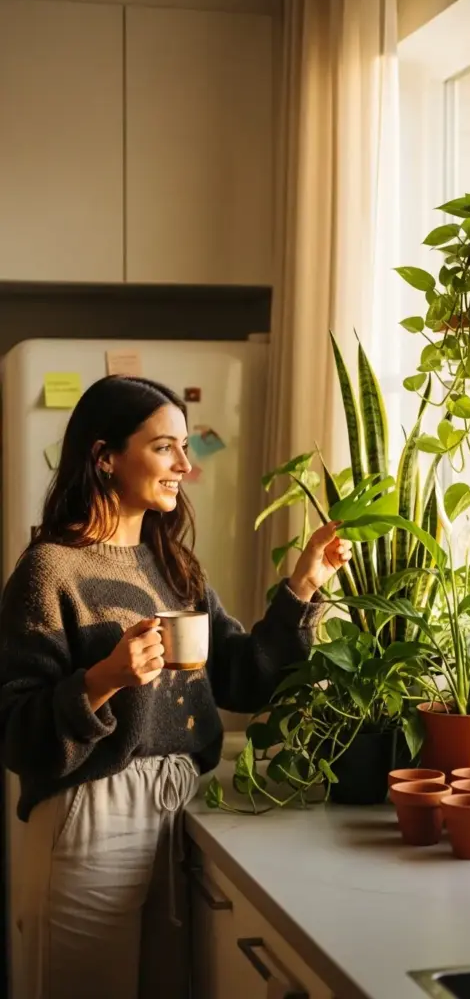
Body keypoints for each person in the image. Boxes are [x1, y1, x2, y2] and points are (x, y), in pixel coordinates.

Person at [0, 375, 352, 999]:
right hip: (91, 814)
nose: (185, 466)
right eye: (166, 448)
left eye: (186, 448)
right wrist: (106, 678)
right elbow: (15, 734)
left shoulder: (173, 564)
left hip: (180, 808)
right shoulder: (49, 570)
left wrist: (303, 586)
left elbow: (243, 676)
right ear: (105, 457)